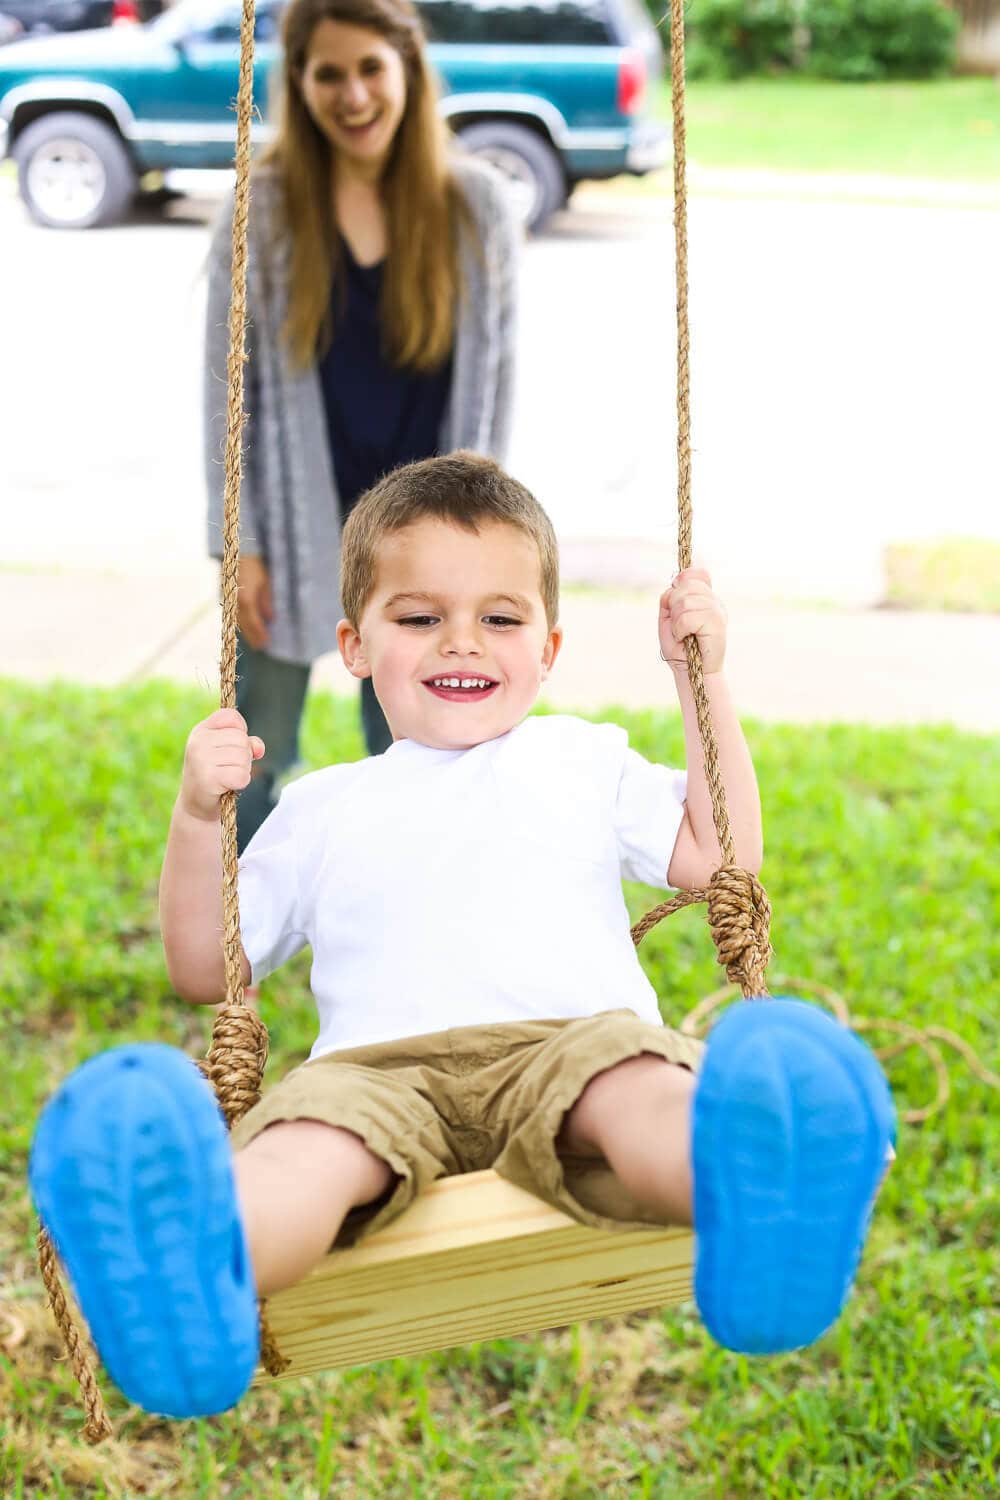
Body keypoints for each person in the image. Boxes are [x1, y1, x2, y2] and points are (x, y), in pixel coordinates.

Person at [30, 453, 895, 1421]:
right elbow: (205, 964)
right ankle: (189, 1265)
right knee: (301, 1156)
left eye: (499, 616)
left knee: (645, 1091)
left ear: (549, 646)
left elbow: (715, 851)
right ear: (354, 646)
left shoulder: (582, 757)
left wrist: (704, 681)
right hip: (375, 1075)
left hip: (571, 1044)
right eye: (418, 617)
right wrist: (198, 819)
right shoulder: (322, 805)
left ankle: (761, 1190)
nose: (462, 642)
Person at [204, 0, 519, 853]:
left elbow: (493, 388)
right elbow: (224, 393)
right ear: (298, 85)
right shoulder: (262, 211)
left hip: (426, 539)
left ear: (408, 70)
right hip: (289, 526)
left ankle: (411, 936)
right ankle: (248, 949)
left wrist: (481, 544)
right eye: (328, 74)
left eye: (370, 69)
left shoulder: (475, 206)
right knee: (256, 758)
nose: (353, 95)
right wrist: (238, 546)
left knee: (423, 751)